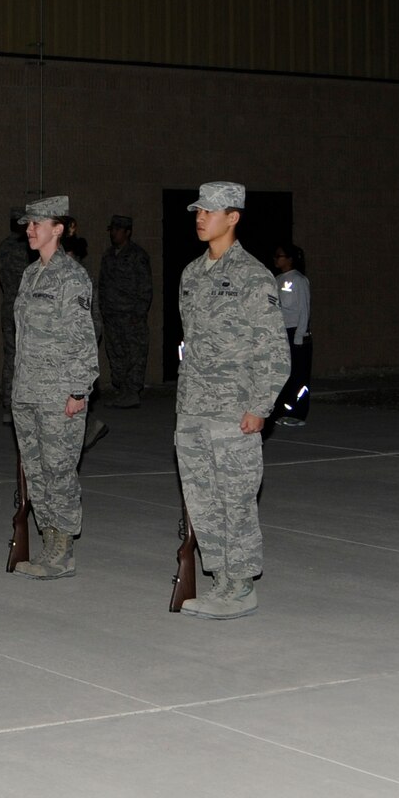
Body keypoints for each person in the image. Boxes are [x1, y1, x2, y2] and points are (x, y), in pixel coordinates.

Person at [174, 182, 290, 618]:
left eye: (210, 211)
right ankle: (220, 579)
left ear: (233, 217)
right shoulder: (191, 274)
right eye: (198, 211)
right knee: (202, 500)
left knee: (235, 499)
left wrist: (260, 406)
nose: (201, 218)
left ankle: (240, 586)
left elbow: (273, 349)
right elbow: (190, 343)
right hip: (193, 406)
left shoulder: (253, 276)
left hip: (233, 408)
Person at [10, 196, 98, 579]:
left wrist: (79, 390)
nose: (29, 230)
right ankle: (49, 542)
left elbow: (83, 337)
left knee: (59, 470)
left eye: (37, 224)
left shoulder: (72, 277)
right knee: (36, 470)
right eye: (28, 224)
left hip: (59, 393)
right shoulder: (31, 275)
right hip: (28, 390)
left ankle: (62, 550)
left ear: (58, 229)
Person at [96, 215, 153, 410]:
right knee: (116, 354)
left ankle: (132, 393)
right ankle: (121, 391)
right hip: (112, 316)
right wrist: (103, 309)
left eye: (118, 229)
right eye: (112, 229)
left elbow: (145, 287)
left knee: (134, 355)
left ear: (127, 232)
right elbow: (103, 284)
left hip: (131, 316)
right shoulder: (108, 255)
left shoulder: (137, 255)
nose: (114, 233)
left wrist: (138, 314)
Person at [0, 208, 32, 422]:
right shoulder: (28, 248)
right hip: (26, 308)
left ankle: (8, 404)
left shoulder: (2, 248)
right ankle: (22, 404)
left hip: (8, 305)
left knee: (11, 356)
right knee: (27, 356)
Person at [272, 242, 312, 426]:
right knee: (283, 374)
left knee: (299, 375)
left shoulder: (298, 280)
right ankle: (283, 411)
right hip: (280, 332)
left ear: (290, 259)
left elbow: (304, 309)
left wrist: (299, 336)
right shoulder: (277, 279)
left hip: (296, 331)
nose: (276, 259)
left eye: (280, 256)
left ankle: (298, 414)